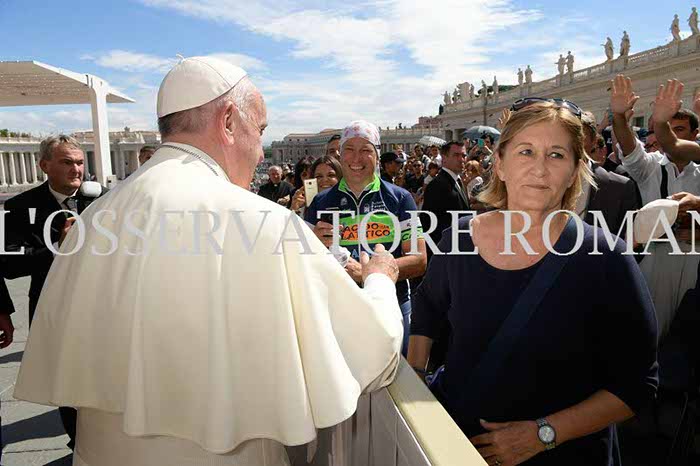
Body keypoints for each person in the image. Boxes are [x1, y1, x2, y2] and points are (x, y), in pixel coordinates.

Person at [14, 56, 404, 466]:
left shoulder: (96, 217)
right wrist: (380, 278)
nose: (261, 151)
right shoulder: (264, 222)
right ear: (229, 121)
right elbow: (371, 352)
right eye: (260, 130)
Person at [409, 101, 658, 466]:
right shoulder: (460, 238)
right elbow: (428, 308)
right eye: (526, 151)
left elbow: (637, 385)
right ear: (500, 164)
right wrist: (416, 382)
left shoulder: (606, 256)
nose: (539, 168)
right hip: (458, 444)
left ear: (574, 172)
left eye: (556, 155)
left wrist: (544, 434)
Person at [3, 134, 109, 451]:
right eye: (66, 162)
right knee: (66, 379)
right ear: (44, 165)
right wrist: (57, 249)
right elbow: (9, 263)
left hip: (105, 307)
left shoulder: (106, 199)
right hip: (54, 309)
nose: (76, 169)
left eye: (80, 162)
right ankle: (79, 443)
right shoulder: (19, 207)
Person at [305, 120, 427, 356]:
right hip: (338, 307)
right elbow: (302, 263)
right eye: (349, 149)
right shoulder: (320, 202)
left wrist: (368, 274)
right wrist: (313, 244)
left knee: (395, 374)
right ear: (340, 155)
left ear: (377, 155)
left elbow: (419, 260)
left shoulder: (400, 199)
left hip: (392, 304)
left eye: (365, 150)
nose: (356, 158)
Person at [610, 74, 700, 337]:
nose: (668, 134)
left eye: (678, 129)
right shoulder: (649, 166)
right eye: (666, 127)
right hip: (654, 260)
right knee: (650, 332)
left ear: (694, 135)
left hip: (695, 262)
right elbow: (629, 147)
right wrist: (618, 117)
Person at [421, 141, 471, 249]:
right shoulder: (437, 185)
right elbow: (429, 224)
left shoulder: (458, 181)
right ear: (444, 158)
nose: (461, 159)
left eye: (464, 155)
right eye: (456, 155)